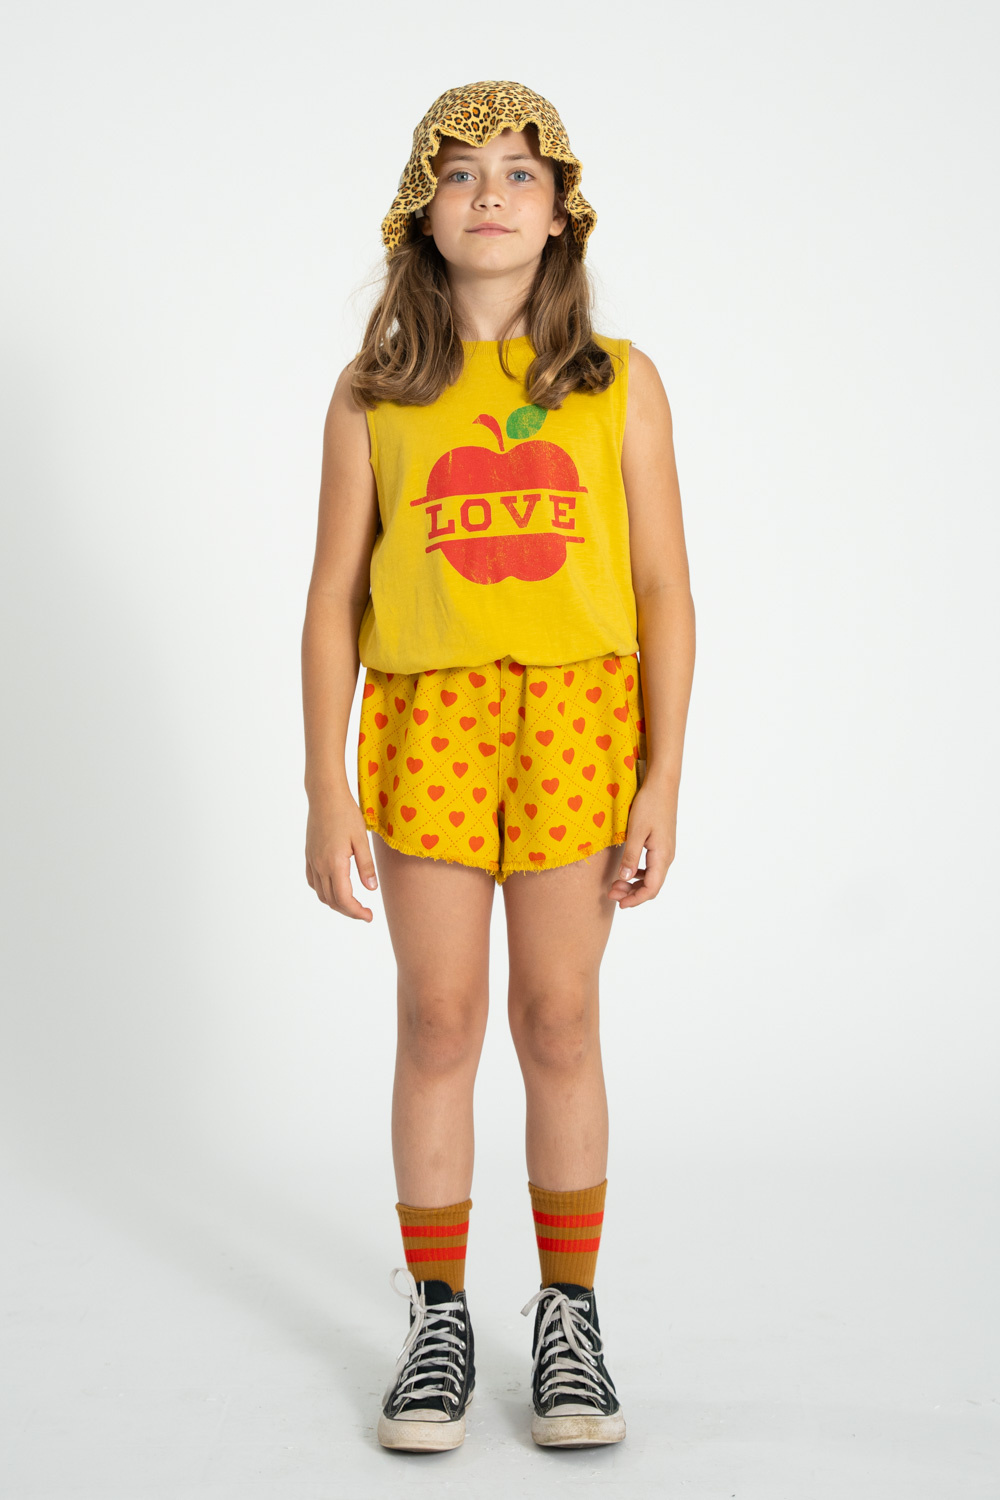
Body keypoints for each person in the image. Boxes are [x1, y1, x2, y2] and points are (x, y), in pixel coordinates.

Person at [301, 79, 695, 1454]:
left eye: (519, 171)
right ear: (422, 211)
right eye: (460, 171)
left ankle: (569, 1316)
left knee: (560, 1018)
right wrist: (326, 786)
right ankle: (438, 1315)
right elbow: (332, 598)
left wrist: (662, 776)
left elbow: (664, 589)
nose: (490, 193)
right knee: (439, 1019)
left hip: (580, 719)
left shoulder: (617, 384)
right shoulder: (375, 394)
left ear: (561, 211)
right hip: (431, 720)